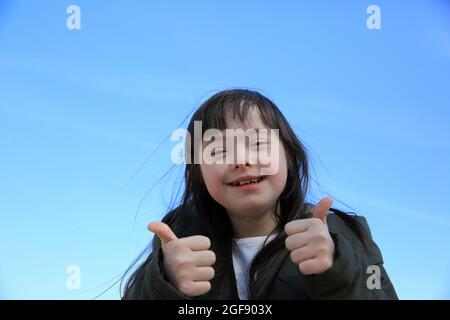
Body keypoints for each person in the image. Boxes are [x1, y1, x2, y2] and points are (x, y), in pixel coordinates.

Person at [122, 89, 398, 299]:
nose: (241, 160)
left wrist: (337, 271)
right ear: (198, 173)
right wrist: (165, 282)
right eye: (218, 150)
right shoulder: (179, 238)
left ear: (289, 155)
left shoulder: (343, 234)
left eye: (257, 143)